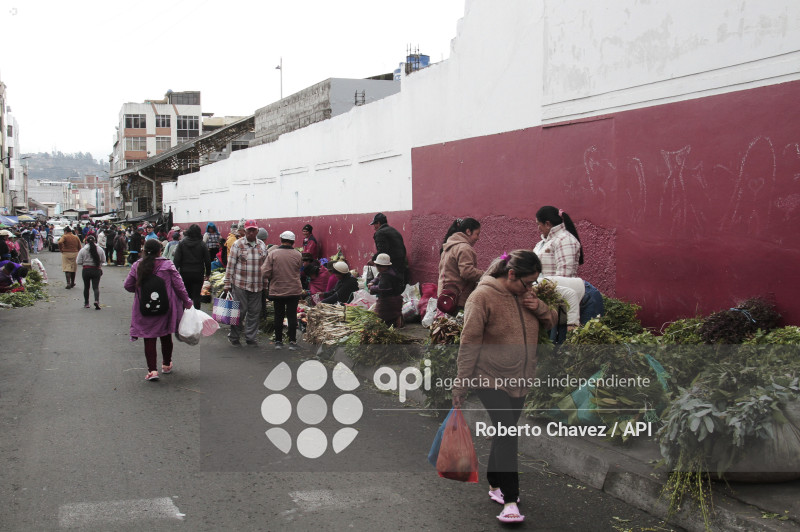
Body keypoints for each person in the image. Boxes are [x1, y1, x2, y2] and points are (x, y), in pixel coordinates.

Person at [452, 250, 557, 524]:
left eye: (534, 283)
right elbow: (469, 342)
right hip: (489, 378)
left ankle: (495, 484)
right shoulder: (481, 297)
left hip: (521, 378)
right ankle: (510, 501)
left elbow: (552, 320)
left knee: (503, 431)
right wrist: (460, 384)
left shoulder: (525, 294)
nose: (531, 287)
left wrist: (540, 307)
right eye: (528, 282)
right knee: (509, 432)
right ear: (511, 274)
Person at [124, 239, 194, 381]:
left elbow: (128, 285)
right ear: (159, 251)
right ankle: (166, 365)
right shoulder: (167, 265)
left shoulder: (137, 265)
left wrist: (140, 291)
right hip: (165, 307)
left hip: (144, 308)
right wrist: (187, 302)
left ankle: (152, 371)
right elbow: (179, 286)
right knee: (165, 335)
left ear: (144, 251)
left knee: (149, 337)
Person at [224, 220, 269, 347]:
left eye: (253, 230)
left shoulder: (261, 245)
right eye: (249, 230)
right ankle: (234, 337)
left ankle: (251, 338)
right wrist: (227, 284)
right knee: (239, 312)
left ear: (257, 231)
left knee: (255, 312)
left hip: (257, 285)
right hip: (240, 284)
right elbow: (230, 265)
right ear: (244, 231)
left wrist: (265, 285)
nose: (251, 232)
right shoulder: (238, 245)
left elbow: (265, 267)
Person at [262, 230, 302, 350]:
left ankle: (278, 341)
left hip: (277, 290)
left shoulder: (273, 254)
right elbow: (299, 268)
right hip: (294, 290)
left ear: (281, 240)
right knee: (292, 316)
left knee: (278, 315)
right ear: (293, 242)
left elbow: (265, 272)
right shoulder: (298, 254)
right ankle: (292, 342)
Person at [438, 218, 484, 313]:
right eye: (477, 234)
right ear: (468, 231)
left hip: (446, 296)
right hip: (459, 299)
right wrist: (486, 274)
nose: (478, 238)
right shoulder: (464, 248)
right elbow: (467, 272)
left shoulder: (449, 246)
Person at [533, 206, 583, 277]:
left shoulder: (565, 240)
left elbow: (565, 274)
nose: (538, 228)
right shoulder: (542, 243)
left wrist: (547, 287)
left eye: (538, 224)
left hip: (556, 287)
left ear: (547, 224)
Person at [172, 223, 211, 310]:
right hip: (198, 273)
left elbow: (176, 260)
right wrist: (208, 273)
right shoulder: (202, 244)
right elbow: (208, 260)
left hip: (185, 273)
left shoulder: (182, 243)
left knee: (185, 295)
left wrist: (175, 273)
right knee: (197, 296)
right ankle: (197, 314)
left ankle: (185, 314)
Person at [369, 212, 408, 284]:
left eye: (374, 224)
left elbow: (382, 251)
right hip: (402, 263)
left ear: (378, 223)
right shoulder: (394, 230)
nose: (374, 227)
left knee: (387, 285)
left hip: (391, 263)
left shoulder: (380, 233)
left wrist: (373, 259)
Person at [368, 253, 405, 327]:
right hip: (396, 298)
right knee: (394, 315)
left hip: (389, 301)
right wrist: (373, 282)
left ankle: (395, 325)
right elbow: (378, 277)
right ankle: (397, 323)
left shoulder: (386, 277)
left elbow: (383, 289)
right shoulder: (390, 271)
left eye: (381, 266)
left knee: (380, 317)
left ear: (386, 266)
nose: (378, 267)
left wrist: (372, 288)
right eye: (377, 265)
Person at [76, 235, 106, 309]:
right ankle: (96, 301)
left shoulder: (83, 250)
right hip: (96, 270)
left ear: (86, 241)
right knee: (95, 287)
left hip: (86, 270)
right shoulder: (100, 250)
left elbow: (78, 261)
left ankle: (86, 303)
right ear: (95, 241)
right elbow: (103, 260)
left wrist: (85, 262)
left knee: (86, 287)